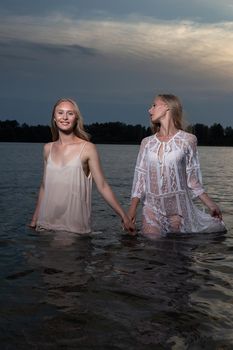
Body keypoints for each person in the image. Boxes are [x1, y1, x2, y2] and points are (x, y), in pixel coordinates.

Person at [29, 98, 135, 235]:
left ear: (76, 118)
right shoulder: (47, 149)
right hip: (46, 224)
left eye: (70, 113)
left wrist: (124, 216)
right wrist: (34, 219)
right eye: (60, 113)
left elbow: (102, 185)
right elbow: (44, 186)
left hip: (74, 227)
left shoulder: (87, 148)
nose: (65, 117)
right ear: (54, 118)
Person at [128, 94, 226, 238]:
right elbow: (140, 178)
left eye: (154, 105)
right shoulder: (146, 142)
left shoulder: (188, 140)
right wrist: (131, 210)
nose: (150, 110)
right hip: (151, 207)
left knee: (175, 254)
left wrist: (210, 205)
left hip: (178, 207)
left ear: (167, 106)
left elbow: (192, 180)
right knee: (151, 248)